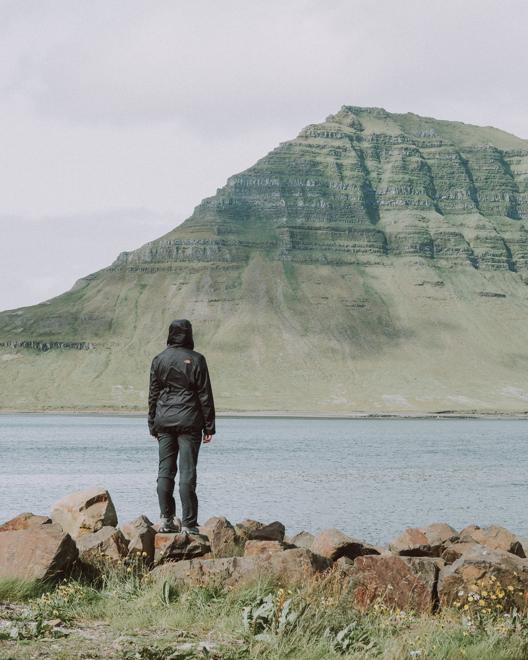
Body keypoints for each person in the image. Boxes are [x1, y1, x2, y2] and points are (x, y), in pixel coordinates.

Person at [148, 319, 215, 534]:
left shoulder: (159, 360)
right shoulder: (197, 359)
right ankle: (188, 524)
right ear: (189, 335)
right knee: (187, 471)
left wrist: (152, 424)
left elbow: (153, 396)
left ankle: (167, 519)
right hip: (189, 422)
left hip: (164, 422)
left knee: (165, 471)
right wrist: (209, 426)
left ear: (170, 334)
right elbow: (205, 395)